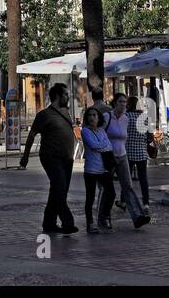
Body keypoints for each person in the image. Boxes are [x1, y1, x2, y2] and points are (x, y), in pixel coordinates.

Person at [20, 82, 78, 235]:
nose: (68, 97)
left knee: (58, 190)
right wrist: (25, 157)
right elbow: (32, 135)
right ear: (58, 96)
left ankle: (49, 223)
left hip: (67, 158)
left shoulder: (66, 113)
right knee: (60, 189)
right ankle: (68, 223)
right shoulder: (44, 115)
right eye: (65, 94)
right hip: (51, 157)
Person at [105, 93, 151, 228]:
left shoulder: (126, 118)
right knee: (109, 189)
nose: (123, 104)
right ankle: (104, 217)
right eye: (120, 102)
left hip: (125, 154)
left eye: (125, 102)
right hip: (115, 155)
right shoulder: (108, 117)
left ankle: (136, 215)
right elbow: (149, 136)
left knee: (128, 185)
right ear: (115, 104)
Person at [79, 108, 115, 233]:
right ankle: (90, 223)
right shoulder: (85, 131)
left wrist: (101, 146)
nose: (92, 118)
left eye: (94, 115)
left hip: (104, 169)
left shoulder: (101, 131)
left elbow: (109, 146)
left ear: (98, 117)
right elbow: (93, 146)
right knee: (90, 197)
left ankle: (104, 216)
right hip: (91, 170)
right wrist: (102, 146)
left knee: (111, 193)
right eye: (89, 115)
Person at [125, 95, 151, 208]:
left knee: (127, 178)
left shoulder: (126, 117)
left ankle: (124, 200)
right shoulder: (144, 117)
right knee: (143, 179)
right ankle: (146, 202)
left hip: (128, 151)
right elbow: (149, 137)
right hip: (142, 152)